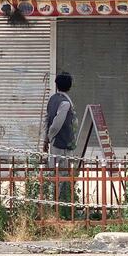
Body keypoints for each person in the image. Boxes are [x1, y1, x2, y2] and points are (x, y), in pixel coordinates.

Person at [43, 72, 77, 218]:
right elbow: (57, 123)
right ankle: (59, 206)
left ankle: (56, 204)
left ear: (57, 85)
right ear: (70, 86)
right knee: (61, 174)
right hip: (61, 143)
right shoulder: (65, 103)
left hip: (54, 142)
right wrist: (50, 136)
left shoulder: (52, 99)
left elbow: (47, 119)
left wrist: (46, 139)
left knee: (55, 172)